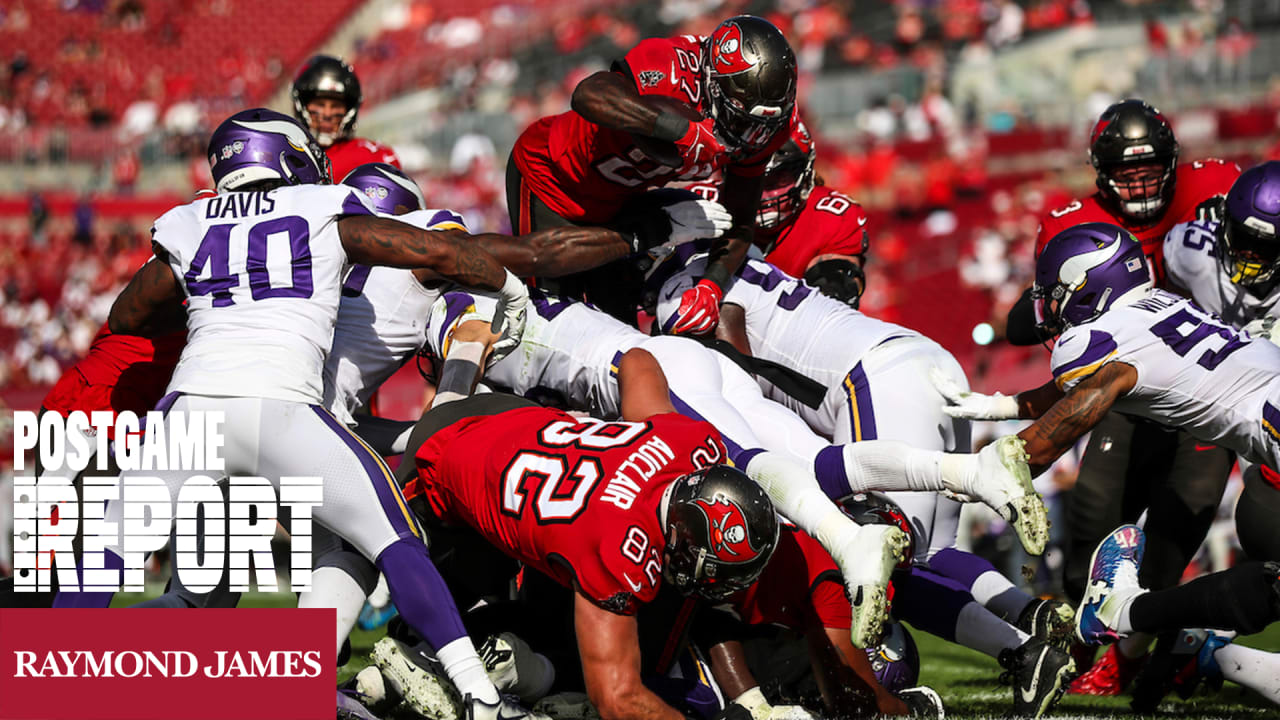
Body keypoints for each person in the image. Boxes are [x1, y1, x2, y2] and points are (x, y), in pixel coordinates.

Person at [49, 108, 535, 720]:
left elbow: (127, 315)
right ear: (284, 156)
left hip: (189, 412)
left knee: (108, 556)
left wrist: (213, 294)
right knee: (396, 541)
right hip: (283, 409)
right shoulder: (323, 206)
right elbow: (427, 250)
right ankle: (480, 697)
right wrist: (506, 284)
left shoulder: (188, 219)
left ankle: (51, 686)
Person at [420, 283, 1047, 647]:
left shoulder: (458, 314)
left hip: (651, 373)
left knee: (753, 470)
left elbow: (445, 407)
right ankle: (970, 474)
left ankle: (851, 540)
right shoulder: (523, 299)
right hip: (685, 362)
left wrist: (448, 389)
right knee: (818, 463)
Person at [650, 248, 1076, 716]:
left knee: (875, 548)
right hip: (921, 359)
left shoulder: (684, 289)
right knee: (930, 552)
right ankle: (1029, 616)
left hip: (869, 377)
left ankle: (1019, 647)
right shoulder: (740, 262)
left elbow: (735, 363)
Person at [1003, 98, 1242, 695]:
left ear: (1173, 162)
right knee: (1094, 511)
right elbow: (1039, 313)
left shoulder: (1214, 186)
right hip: (1125, 388)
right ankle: (1090, 640)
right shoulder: (1072, 221)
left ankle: (1138, 649)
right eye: (1126, 174)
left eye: (1150, 170)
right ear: (1101, 174)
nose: (1140, 185)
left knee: (1183, 514)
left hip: (1205, 384)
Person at [399, 375, 781, 720]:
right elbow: (616, 699)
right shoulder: (618, 549)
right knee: (369, 567)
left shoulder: (692, 443)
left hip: (510, 417)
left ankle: (481, 661)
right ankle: (415, 654)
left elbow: (637, 361)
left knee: (555, 603)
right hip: (435, 466)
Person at [935, 221, 1280, 565]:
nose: (1052, 310)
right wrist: (998, 407)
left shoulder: (1101, 337)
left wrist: (992, 468)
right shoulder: (1158, 306)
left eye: (1056, 295)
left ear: (1087, 288)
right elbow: (1076, 390)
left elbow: (1079, 408)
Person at [508, 15, 797, 329]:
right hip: (552, 179)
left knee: (619, 331)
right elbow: (588, 95)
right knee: (547, 320)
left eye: (761, 127)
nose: (751, 137)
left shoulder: (767, 128)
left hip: (617, 202)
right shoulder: (673, 67)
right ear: (713, 84)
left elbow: (739, 219)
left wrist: (712, 286)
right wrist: (680, 131)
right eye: (740, 119)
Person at [686, 121, 870, 306]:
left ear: (805, 174)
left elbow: (830, 308)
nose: (763, 195)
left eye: (779, 179)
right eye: (751, 180)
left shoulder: (831, 216)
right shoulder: (698, 204)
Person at [292, 55, 400, 182]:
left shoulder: (372, 157)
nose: (327, 114)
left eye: (336, 106)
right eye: (320, 104)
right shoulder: (287, 155)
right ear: (302, 105)